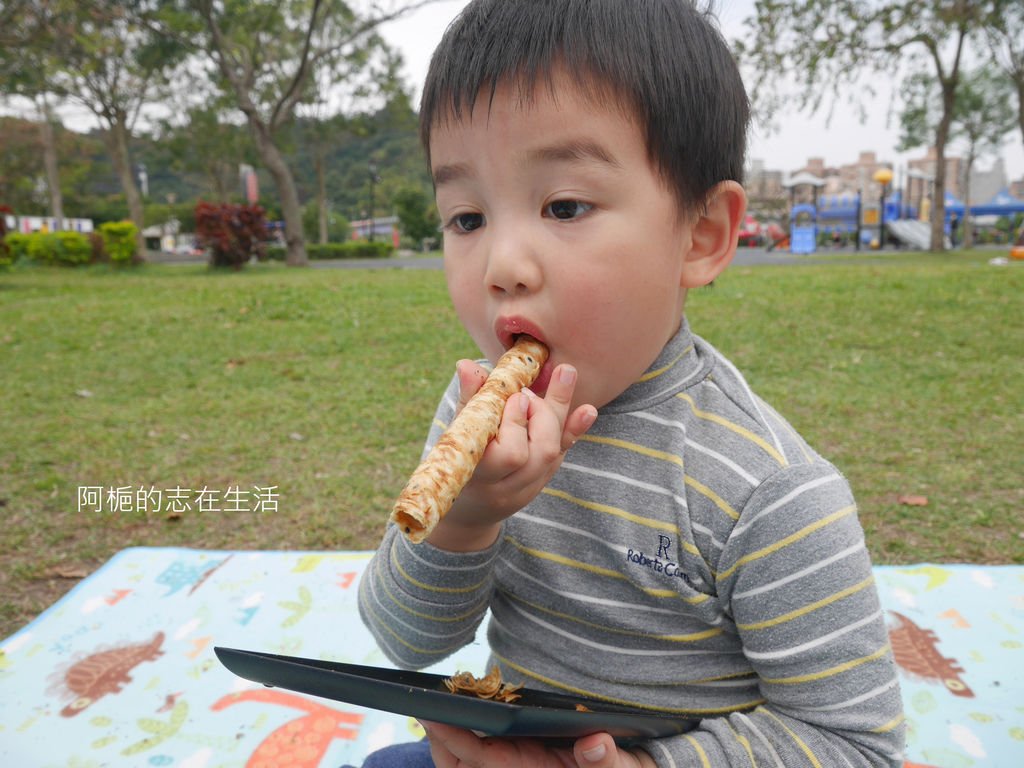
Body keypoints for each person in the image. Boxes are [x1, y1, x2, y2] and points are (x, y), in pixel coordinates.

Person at [354, 1, 906, 766]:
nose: (502, 266)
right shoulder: (477, 421)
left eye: (565, 205)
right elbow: (403, 638)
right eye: (466, 217)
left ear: (702, 235)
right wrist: (464, 518)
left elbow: (855, 744)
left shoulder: (767, 492)